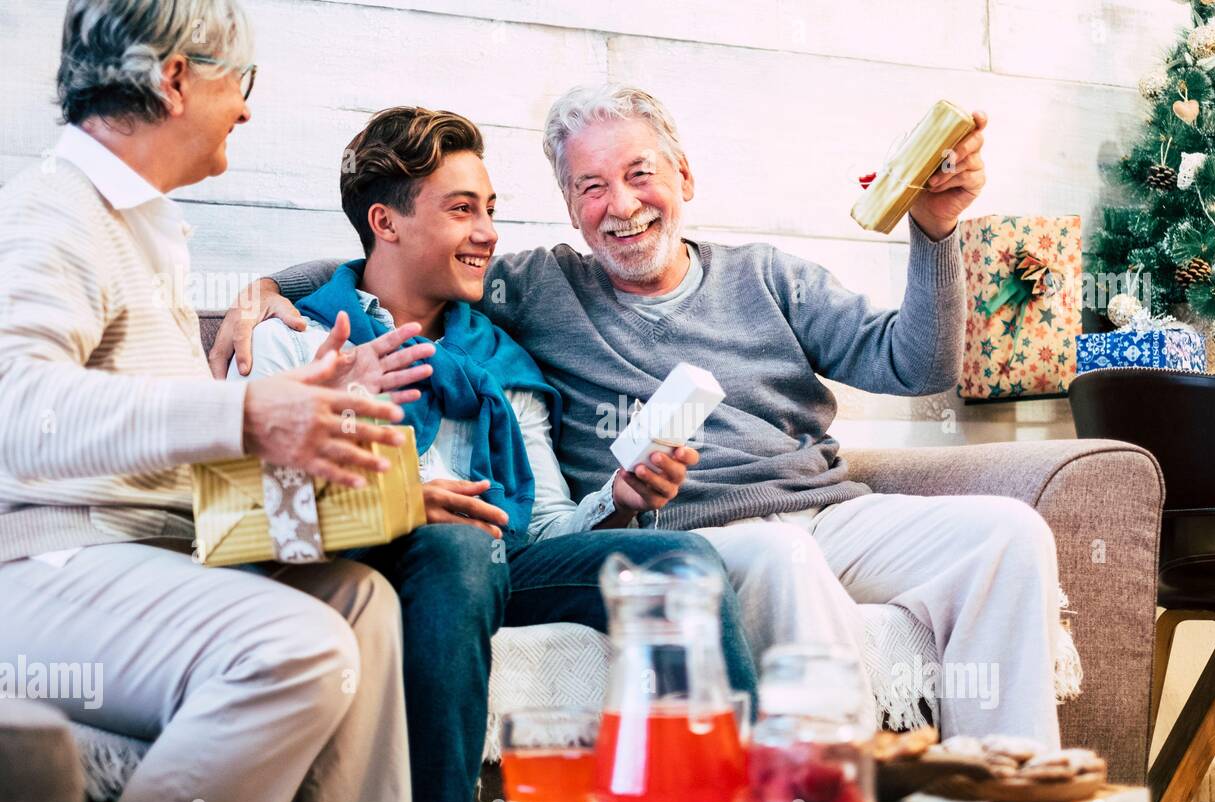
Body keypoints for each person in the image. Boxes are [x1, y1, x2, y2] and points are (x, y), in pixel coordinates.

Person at [215, 84, 1081, 747]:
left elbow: (916, 363)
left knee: (1012, 532)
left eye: (639, 175)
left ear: (684, 178)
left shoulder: (768, 278)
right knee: (771, 553)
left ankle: (1016, 801)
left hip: (829, 512)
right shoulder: (540, 285)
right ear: (568, 207)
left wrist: (934, 231)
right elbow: (399, 261)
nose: (621, 205)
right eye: (590, 187)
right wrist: (256, 293)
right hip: (706, 529)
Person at [225, 106, 759, 802]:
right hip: (377, 561)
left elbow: (539, 530)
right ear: (387, 222)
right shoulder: (299, 343)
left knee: (681, 560)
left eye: (490, 210)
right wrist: (348, 413)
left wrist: (618, 500)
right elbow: (239, 518)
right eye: (462, 209)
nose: (488, 233)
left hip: (498, 567)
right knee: (457, 545)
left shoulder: (500, 359)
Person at [0, 0, 414, 802]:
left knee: (363, 602)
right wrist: (248, 409)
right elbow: (17, 406)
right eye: (243, 82)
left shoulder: (147, 228)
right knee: (294, 646)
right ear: (177, 78)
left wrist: (331, 435)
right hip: (39, 565)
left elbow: (174, 465)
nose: (250, 108)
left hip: (146, 556)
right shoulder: (53, 212)